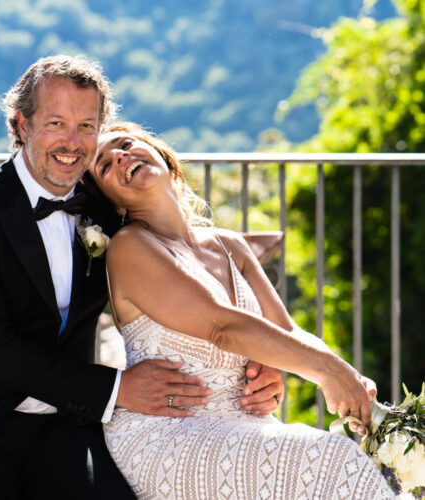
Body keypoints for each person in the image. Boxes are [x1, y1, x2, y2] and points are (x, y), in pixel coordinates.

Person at [0, 55, 282, 500]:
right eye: (56, 123)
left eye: (87, 127)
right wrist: (119, 387)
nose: (72, 143)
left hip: (68, 424)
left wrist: (260, 366)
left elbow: (184, 274)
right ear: (21, 124)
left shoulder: (105, 210)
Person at [87, 121, 396, 499]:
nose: (120, 156)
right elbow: (222, 326)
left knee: (340, 458)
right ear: (111, 200)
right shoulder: (129, 247)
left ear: (161, 154)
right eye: (104, 165)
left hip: (245, 424)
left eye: (126, 143)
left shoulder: (229, 244)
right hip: (165, 435)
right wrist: (327, 372)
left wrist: (345, 375)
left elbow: (286, 330)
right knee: (330, 456)